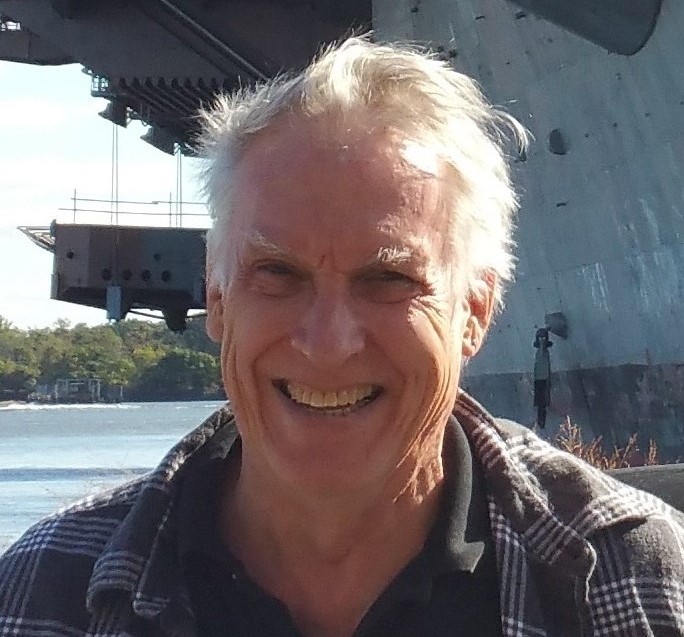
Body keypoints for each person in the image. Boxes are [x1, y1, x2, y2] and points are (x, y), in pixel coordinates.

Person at [1, 36, 683, 637]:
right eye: (278, 272)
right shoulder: (41, 592)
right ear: (217, 298)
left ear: (475, 310)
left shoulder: (638, 581)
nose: (327, 344)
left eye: (388, 279)